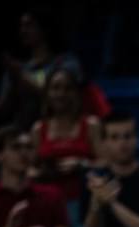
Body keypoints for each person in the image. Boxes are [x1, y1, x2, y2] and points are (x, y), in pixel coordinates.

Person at [31, 66, 102, 207]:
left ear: (76, 93)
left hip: (83, 201)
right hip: (48, 202)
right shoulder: (38, 129)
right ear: (47, 93)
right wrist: (43, 172)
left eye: (68, 88)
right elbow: (30, 168)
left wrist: (82, 165)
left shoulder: (91, 125)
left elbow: (106, 163)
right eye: (55, 88)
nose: (61, 94)